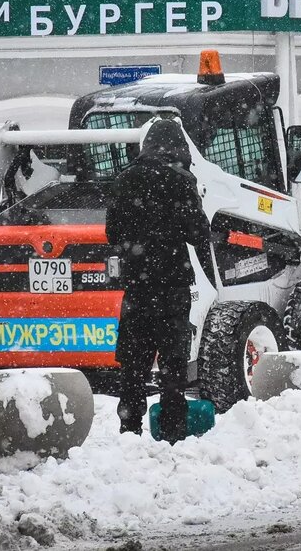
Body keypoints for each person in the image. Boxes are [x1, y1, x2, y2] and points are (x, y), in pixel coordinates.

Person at [105, 118, 214, 443]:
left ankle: (130, 429)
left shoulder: (126, 179)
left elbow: (113, 232)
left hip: (137, 286)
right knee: (173, 364)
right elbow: (199, 234)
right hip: (172, 286)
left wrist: (139, 240)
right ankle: (172, 431)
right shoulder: (181, 180)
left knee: (133, 363)